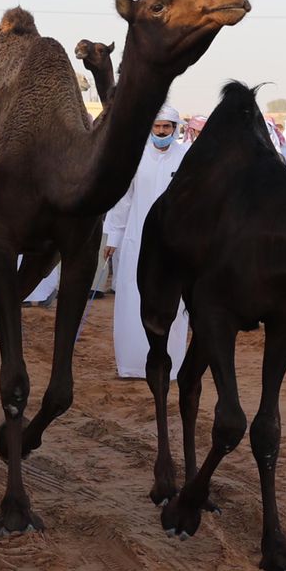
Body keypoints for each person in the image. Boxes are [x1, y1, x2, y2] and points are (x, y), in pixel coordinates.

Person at [105, 105, 189, 377]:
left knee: (172, 307)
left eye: (167, 127)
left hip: (174, 245)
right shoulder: (136, 157)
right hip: (136, 241)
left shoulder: (186, 158)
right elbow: (123, 199)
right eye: (157, 127)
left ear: (175, 129)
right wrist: (113, 236)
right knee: (132, 301)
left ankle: (171, 366)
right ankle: (132, 365)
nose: (162, 132)